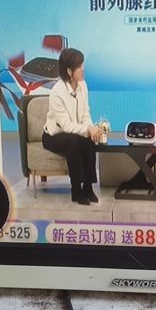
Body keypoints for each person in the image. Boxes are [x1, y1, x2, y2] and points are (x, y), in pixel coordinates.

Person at [43, 48, 104, 205]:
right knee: (73, 141)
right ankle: (76, 189)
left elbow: (85, 114)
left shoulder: (83, 86)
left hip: (74, 132)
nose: (83, 69)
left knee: (88, 139)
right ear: (69, 71)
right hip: (54, 136)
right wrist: (87, 129)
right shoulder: (57, 92)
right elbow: (66, 126)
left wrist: (91, 129)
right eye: (79, 66)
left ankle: (88, 187)